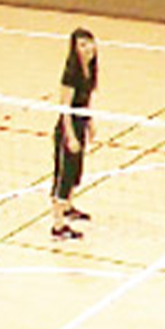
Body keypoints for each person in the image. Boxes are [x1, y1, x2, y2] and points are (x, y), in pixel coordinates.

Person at [50, 27, 98, 242]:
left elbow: (87, 100)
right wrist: (69, 136)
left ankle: (68, 208)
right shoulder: (71, 73)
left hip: (80, 125)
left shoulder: (91, 69)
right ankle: (58, 226)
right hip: (67, 128)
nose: (87, 48)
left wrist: (90, 123)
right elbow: (65, 108)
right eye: (82, 45)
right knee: (64, 176)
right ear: (74, 49)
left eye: (89, 43)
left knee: (75, 172)